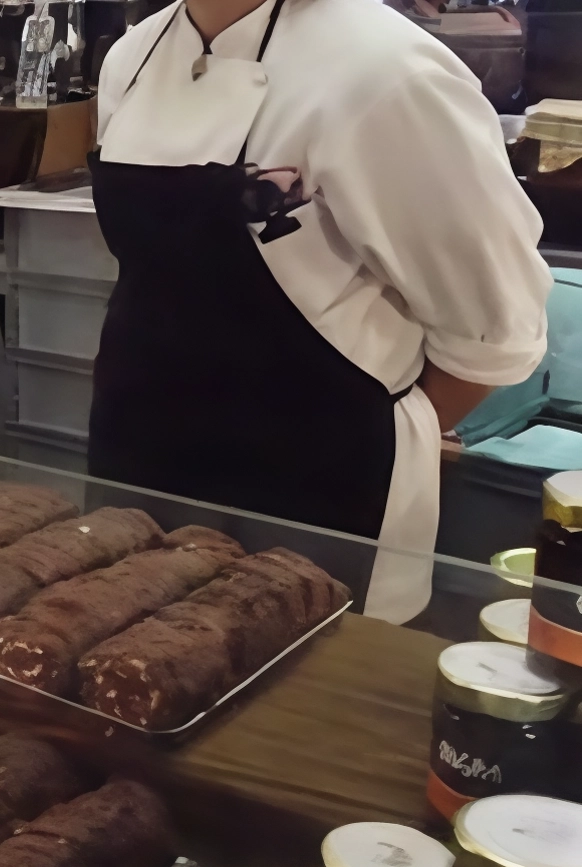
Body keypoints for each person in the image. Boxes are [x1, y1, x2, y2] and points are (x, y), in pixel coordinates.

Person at [86, 0, 552, 623]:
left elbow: (494, 329)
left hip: (318, 492)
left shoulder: (387, 72)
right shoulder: (132, 57)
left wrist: (345, 424)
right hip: (139, 456)